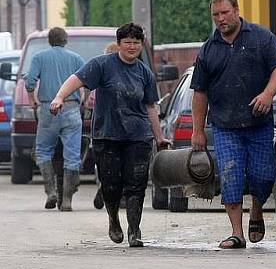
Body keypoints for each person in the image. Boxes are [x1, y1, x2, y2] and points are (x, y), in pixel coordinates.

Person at [50, 23, 170, 247]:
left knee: (136, 185)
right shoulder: (102, 65)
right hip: (107, 135)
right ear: (119, 44)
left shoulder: (144, 72)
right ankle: (114, 219)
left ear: (141, 44)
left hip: (138, 136)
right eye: (127, 42)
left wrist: (159, 137)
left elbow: (151, 107)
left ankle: (134, 230)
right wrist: (59, 97)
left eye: (136, 42)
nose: (132, 47)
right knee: (111, 184)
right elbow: (76, 80)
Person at [191, 0, 276, 249]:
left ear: (236, 10)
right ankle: (237, 233)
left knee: (262, 177)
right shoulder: (208, 50)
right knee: (230, 177)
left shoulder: (261, 37)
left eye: (224, 13)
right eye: (215, 15)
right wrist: (197, 130)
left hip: (258, 124)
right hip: (225, 126)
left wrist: (268, 94)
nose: (221, 19)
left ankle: (256, 211)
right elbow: (199, 92)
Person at [24, 27, 85, 211]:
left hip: (48, 108)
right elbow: (88, 77)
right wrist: (85, 99)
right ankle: (67, 200)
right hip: (71, 108)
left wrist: (32, 101)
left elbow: (29, 82)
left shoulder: (39, 57)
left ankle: (51, 192)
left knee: (43, 151)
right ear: (65, 40)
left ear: (49, 40)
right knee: (72, 155)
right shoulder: (75, 58)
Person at [86, 41, 120, 210]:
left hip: (103, 127)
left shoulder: (100, 74)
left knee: (105, 162)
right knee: (123, 162)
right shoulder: (129, 72)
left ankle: (104, 185)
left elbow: (91, 100)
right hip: (124, 127)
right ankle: (117, 193)